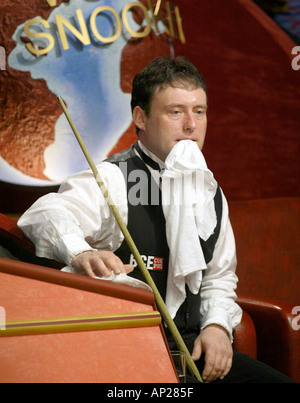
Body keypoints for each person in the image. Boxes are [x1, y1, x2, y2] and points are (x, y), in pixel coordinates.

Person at [18, 56, 294, 383]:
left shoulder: (209, 189)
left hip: (192, 350)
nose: (191, 125)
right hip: (128, 354)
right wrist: (82, 253)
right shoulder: (114, 178)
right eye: (175, 111)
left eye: (199, 111)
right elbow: (47, 213)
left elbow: (219, 276)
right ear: (141, 117)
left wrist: (218, 326)